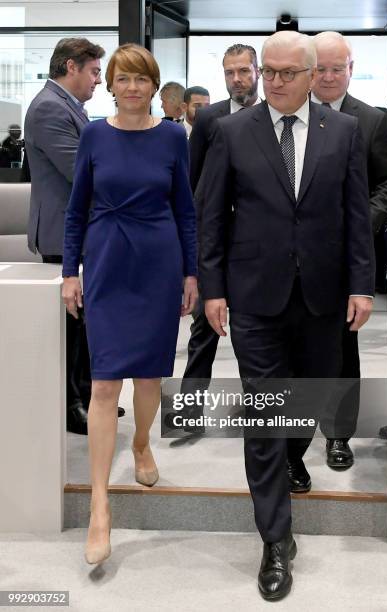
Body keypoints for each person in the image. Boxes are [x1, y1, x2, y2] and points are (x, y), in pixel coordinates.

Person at [199, 31, 374, 601]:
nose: (273, 81)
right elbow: (212, 218)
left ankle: (294, 457)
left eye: (284, 73)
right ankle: (275, 539)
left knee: (307, 402)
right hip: (255, 298)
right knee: (266, 411)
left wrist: (361, 285)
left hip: (323, 297)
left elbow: (355, 216)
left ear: (310, 74)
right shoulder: (230, 131)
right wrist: (213, 289)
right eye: (266, 71)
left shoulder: (343, 132)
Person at [62, 43, 198, 565]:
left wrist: (191, 272)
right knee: (103, 381)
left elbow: (185, 209)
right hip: (106, 262)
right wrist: (68, 272)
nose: (134, 87)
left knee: (148, 378)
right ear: (112, 85)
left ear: (154, 85)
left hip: (158, 263)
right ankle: (100, 505)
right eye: (123, 79)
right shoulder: (94, 133)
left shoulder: (172, 137)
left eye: (143, 79)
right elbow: (76, 211)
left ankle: (141, 441)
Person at [306, 31, 387, 473]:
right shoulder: (282, 115)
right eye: (319, 68)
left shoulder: (372, 120)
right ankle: (286, 441)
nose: (327, 76)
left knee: (342, 348)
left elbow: (386, 184)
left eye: (336, 68)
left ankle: (338, 435)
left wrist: (363, 226)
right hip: (290, 258)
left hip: (347, 258)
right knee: (289, 348)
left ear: (350, 69)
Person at [23, 37, 122, 435]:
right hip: (62, 232)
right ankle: (70, 406)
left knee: (83, 324)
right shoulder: (50, 108)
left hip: (81, 232)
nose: (99, 81)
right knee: (70, 327)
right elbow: (82, 172)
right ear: (70, 67)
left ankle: (84, 393)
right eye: (95, 71)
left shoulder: (70, 106)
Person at [178, 44, 260, 433]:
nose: (237, 79)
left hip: (256, 244)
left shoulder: (273, 117)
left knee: (254, 331)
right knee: (202, 327)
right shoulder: (209, 119)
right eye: (230, 72)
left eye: (244, 71)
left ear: (257, 72)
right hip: (212, 241)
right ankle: (189, 410)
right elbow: (192, 180)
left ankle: (257, 405)